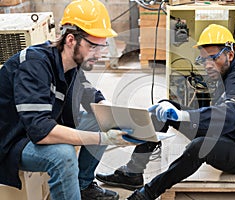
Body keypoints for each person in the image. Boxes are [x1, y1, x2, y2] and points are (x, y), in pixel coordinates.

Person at [98, 24, 235, 200]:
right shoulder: (224, 71)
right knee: (164, 109)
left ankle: (148, 193)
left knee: (200, 146)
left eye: (213, 58)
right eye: (204, 60)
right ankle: (133, 172)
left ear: (230, 54)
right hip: (225, 134)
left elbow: (233, 112)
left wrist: (184, 116)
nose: (208, 65)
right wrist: (179, 112)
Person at [0, 0, 135, 199]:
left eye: (102, 46)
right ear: (71, 39)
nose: (99, 54)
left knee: (101, 118)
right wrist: (102, 138)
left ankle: (83, 186)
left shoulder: (70, 62)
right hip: (13, 140)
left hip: (37, 127)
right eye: (93, 46)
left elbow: (89, 93)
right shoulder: (34, 65)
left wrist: (113, 114)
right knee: (63, 156)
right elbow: (41, 131)